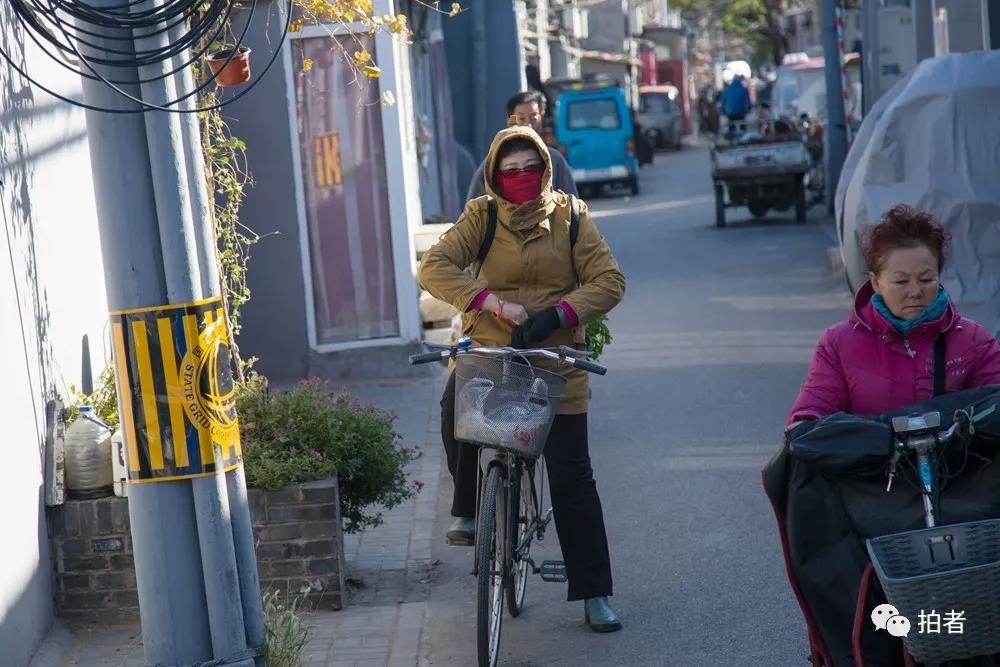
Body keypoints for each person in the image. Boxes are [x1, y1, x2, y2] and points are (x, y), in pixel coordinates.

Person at [418, 125, 626, 632]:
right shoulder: (481, 216)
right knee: (454, 406)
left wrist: (560, 315)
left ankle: (594, 593)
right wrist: (487, 301)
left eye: (529, 169)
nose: (520, 178)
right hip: (492, 347)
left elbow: (609, 281)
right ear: (494, 174)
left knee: (573, 478)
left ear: (545, 169)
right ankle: (468, 509)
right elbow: (434, 267)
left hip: (556, 358)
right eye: (509, 171)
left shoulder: (573, 218)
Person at [787, 205, 1000, 428]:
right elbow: (811, 413)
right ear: (876, 282)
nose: (915, 291)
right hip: (869, 462)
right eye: (901, 281)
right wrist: (808, 428)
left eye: (927, 279)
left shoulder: (973, 341)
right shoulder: (837, 344)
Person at [466, 91, 578, 200]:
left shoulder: (554, 159)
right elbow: (474, 209)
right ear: (510, 121)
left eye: (534, 117)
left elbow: (572, 205)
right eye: (521, 118)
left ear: (541, 117)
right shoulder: (493, 162)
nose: (528, 124)